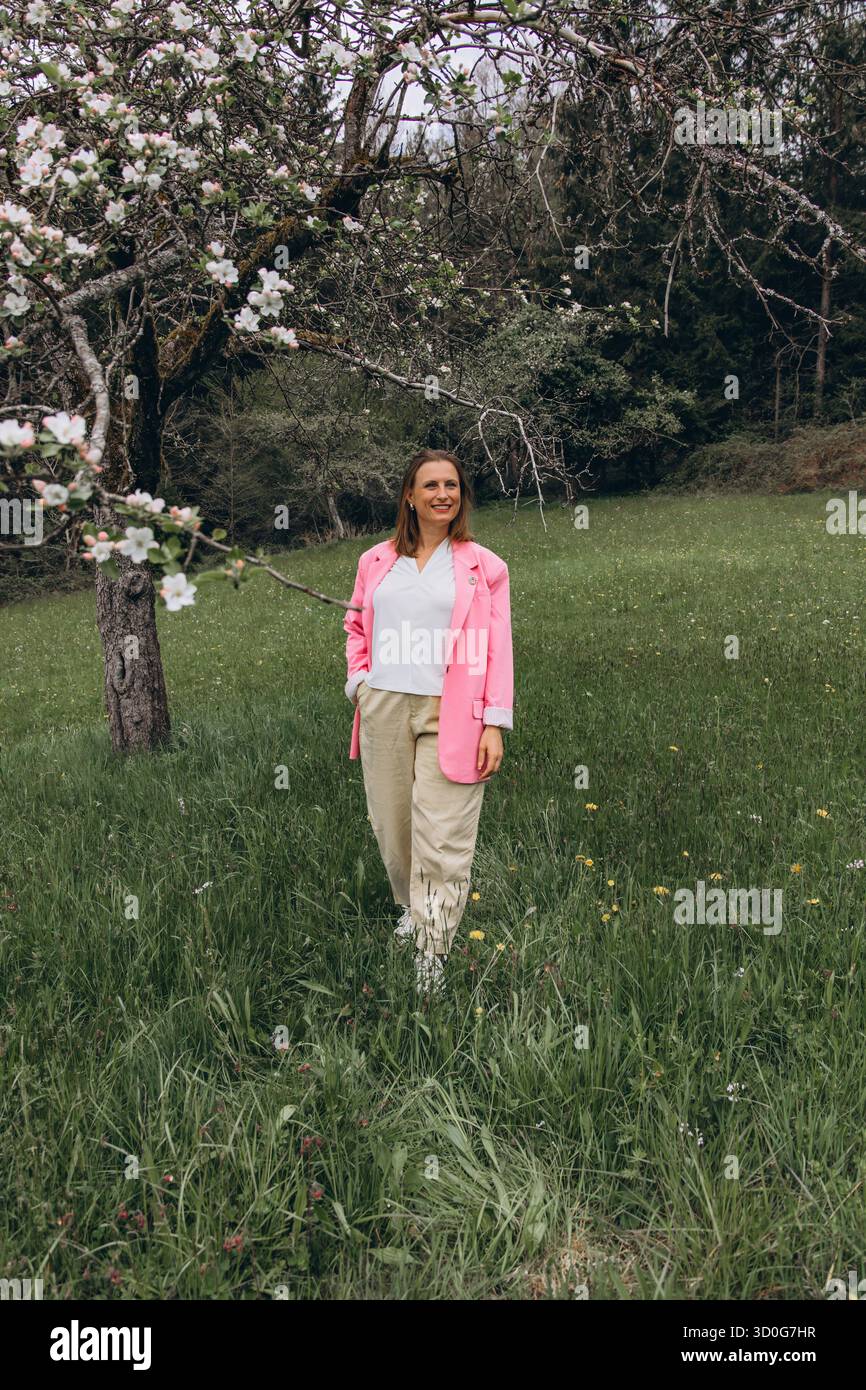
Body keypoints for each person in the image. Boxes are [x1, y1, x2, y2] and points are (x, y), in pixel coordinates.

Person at [343, 448, 514, 998]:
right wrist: (360, 684)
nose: (443, 494)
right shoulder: (376, 561)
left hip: (453, 711)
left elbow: (498, 648)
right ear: (410, 497)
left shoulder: (484, 566)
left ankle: (432, 948)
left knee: (442, 835)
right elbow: (355, 626)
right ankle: (410, 908)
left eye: (453, 485)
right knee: (393, 831)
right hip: (385, 706)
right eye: (431, 485)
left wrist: (494, 721)